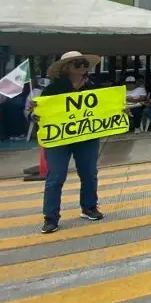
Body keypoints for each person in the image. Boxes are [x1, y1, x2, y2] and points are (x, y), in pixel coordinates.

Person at [37, 51, 103, 234]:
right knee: (56, 176)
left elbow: (105, 109)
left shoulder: (93, 87)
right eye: (78, 63)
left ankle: (89, 207)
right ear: (66, 67)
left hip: (86, 137)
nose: (83, 66)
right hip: (59, 139)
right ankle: (51, 218)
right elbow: (40, 113)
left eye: (84, 63)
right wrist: (35, 113)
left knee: (89, 172)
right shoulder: (51, 89)